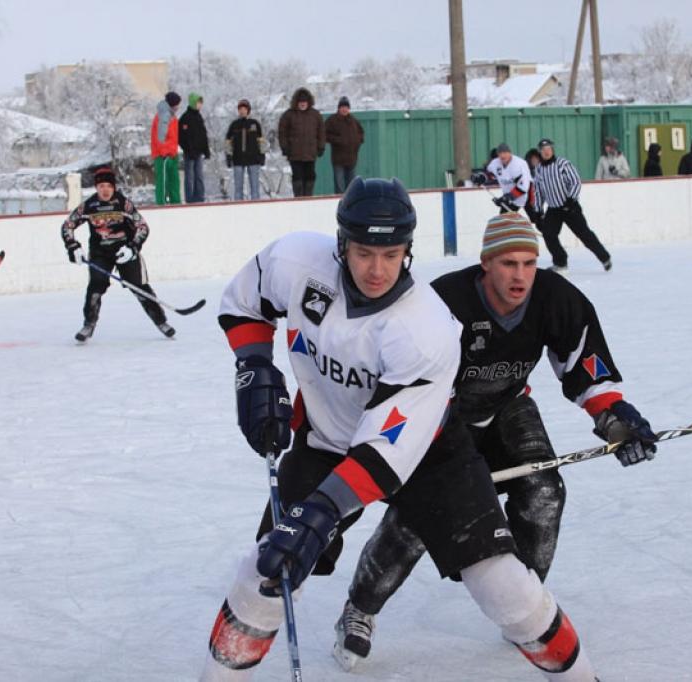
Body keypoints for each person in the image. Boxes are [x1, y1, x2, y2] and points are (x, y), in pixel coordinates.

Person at [200, 178, 601, 682]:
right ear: (342, 243)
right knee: (266, 571)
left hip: (430, 455)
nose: (376, 269)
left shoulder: (427, 329)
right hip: (326, 441)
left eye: (391, 254)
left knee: (506, 588)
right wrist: (255, 367)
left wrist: (319, 516)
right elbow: (244, 301)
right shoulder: (297, 259)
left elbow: (384, 453)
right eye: (364, 252)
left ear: (408, 251)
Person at [333, 212, 656, 671]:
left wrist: (615, 419)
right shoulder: (442, 301)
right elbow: (400, 375)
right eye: (508, 264)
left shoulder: (556, 299)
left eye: (528, 263)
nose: (520, 275)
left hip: (507, 407)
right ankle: (359, 608)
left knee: (544, 492)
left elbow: (584, 364)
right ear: (486, 264)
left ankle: (525, 607)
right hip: (439, 415)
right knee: (420, 517)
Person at [60, 167, 174, 343]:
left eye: (108, 186)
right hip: (100, 253)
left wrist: (132, 247)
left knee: (139, 286)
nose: (105, 190)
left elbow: (143, 227)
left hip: (124, 252)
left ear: (114, 187)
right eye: (101, 186)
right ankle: (88, 324)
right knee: (96, 286)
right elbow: (67, 225)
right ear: (96, 187)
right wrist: (72, 246)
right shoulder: (89, 206)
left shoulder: (123, 204)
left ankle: (161, 321)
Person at [532, 138, 612, 273]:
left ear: (552, 150)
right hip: (553, 209)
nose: (546, 152)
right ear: (540, 152)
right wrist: (538, 211)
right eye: (543, 150)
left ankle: (605, 258)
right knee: (548, 234)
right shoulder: (539, 169)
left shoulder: (562, 164)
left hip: (570, 207)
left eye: (549, 149)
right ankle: (560, 262)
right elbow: (539, 190)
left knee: (584, 234)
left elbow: (575, 182)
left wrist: (571, 199)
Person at [278, 87, 325, 197]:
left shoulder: (315, 115)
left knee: (310, 176)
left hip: (310, 153)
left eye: (304, 102)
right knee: (297, 177)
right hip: (294, 153)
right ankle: (299, 198)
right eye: (300, 102)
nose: (303, 104)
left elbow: (321, 131)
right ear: (296, 102)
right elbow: (282, 132)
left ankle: (308, 197)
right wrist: (284, 147)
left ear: (309, 102)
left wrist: (321, 146)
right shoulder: (288, 115)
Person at [225, 99, 265, 201]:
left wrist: (262, 154)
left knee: (255, 187)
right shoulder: (234, 125)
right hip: (238, 159)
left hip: (253, 159)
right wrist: (228, 156)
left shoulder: (255, 124)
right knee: (238, 188)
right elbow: (228, 141)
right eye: (240, 109)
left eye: (244, 109)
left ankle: (255, 206)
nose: (242, 111)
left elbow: (261, 141)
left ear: (248, 110)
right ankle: (238, 207)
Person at [478, 143, 533, 214]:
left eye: (505, 152)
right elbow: (490, 175)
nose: (502, 155)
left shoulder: (519, 164)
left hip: (528, 196)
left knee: (535, 219)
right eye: (500, 153)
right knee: (504, 220)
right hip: (511, 198)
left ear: (510, 153)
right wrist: (481, 178)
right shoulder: (495, 163)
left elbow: (523, 188)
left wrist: (506, 198)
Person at [325, 96, 365, 194]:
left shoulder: (353, 121)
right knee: (340, 187)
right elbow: (324, 134)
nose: (344, 109)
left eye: (346, 107)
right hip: (338, 159)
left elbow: (361, 133)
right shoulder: (332, 120)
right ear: (338, 108)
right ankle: (339, 203)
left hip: (352, 159)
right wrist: (338, 140)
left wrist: (358, 141)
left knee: (352, 187)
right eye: (342, 107)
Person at [179, 93, 211, 204]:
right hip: (189, 153)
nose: (200, 105)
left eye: (201, 103)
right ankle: (190, 198)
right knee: (189, 177)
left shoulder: (199, 117)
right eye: (198, 103)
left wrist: (206, 150)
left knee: (199, 176)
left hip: (199, 153)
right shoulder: (185, 118)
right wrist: (188, 149)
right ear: (193, 103)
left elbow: (203, 135)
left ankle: (200, 197)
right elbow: (182, 137)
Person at [151, 91, 181, 205]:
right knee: (163, 182)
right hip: (163, 156)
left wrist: (173, 152)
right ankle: (161, 204)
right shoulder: (163, 116)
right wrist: (164, 153)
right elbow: (160, 137)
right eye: (177, 104)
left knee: (174, 182)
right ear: (173, 104)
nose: (178, 107)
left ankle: (176, 203)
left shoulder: (172, 117)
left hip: (172, 154)